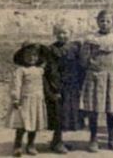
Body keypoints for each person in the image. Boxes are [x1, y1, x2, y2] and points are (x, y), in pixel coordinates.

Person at [80, 10, 113, 152]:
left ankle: (112, 138)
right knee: (94, 109)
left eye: (108, 21)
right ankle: (93, 139)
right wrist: (91, 64)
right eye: (102, 21)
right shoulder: (91, 39)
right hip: (95, 77)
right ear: (97, 22)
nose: (105, 24)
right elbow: (83, 59)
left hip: (111, 78)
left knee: (111, 110)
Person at [43, 23, 82, 154]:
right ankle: (58, 142)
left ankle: (56, 140)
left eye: (65, 32)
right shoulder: (51, 49)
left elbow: (79, 66)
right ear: (55, 34)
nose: (62, 35)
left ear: (71, 33)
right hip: (58, 86)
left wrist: (79, 84)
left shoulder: (75, 48)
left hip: (71, 86)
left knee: (67, 114)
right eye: (59, 33)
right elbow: (51, 71)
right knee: (58, 114)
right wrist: (55, 89)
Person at [9, 43, 47, 158]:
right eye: (28, 55)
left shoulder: (40, 70)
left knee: (34, 123)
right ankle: (17, 145)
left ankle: (31, 144)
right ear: (22, 57)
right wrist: (16, 99)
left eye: (34, 55)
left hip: (37, 100)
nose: (31, 58)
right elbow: (16, 85)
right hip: (25, 101)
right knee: (22, 124)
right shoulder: (20, 70)